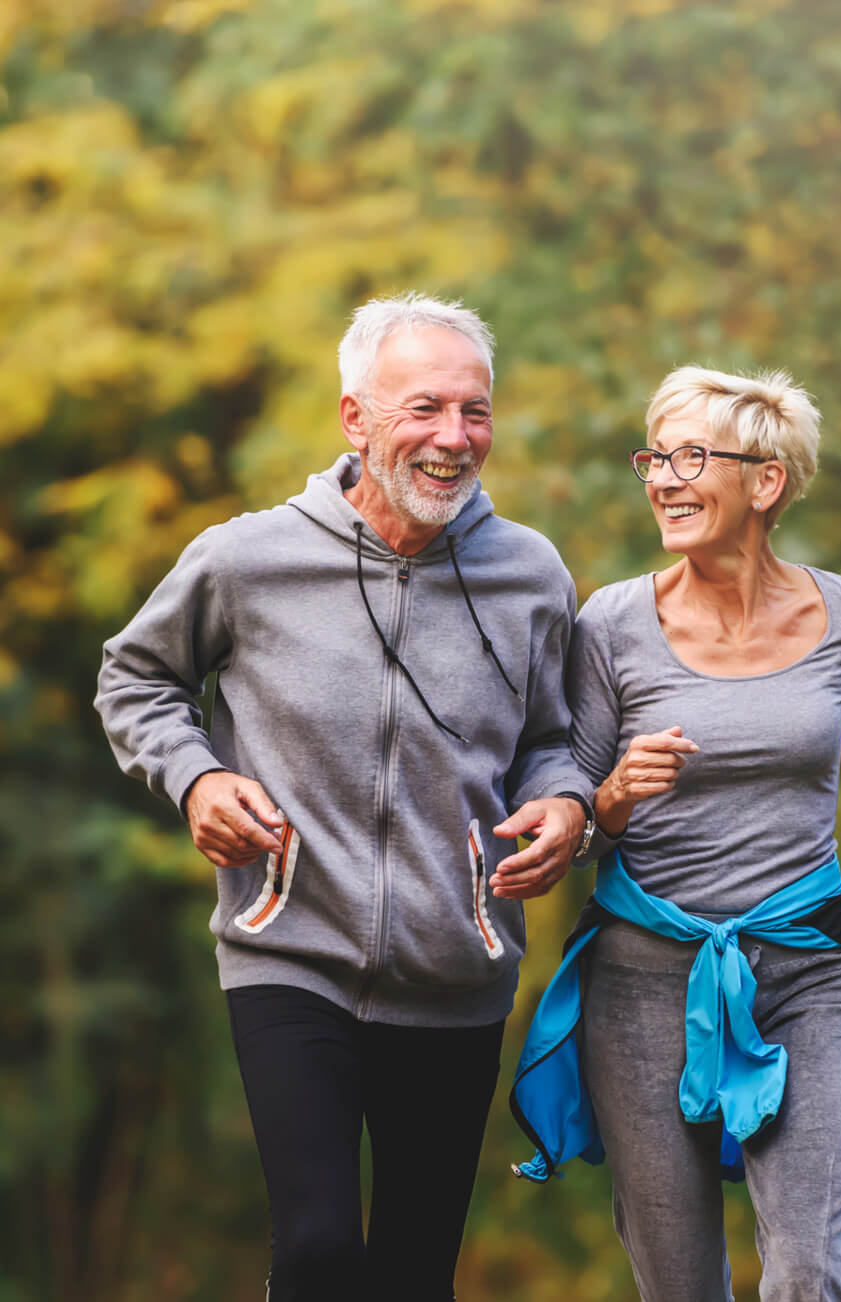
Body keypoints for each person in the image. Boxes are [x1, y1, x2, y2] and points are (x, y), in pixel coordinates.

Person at [95, 293, 596, 1301]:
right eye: (425, 409)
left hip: (458, 967)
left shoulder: (530, 574)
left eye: (475, 411)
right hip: (288, 951)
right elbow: (135, 679)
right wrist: (198, 776)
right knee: (320, 1248)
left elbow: (556, 738)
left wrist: (567, 804)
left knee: (414, 1270)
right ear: (355, 419)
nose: (454, 437)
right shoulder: (247, 559)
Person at [510, 366, 841, 1302]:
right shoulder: (612, 622)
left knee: (811, 1269)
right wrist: (615, 793)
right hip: (641, 981)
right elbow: (577, 819)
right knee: (680, 1283)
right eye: (654, 459)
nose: (663, 478)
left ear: (766, 481)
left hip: (803, 968)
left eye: (691, 457)